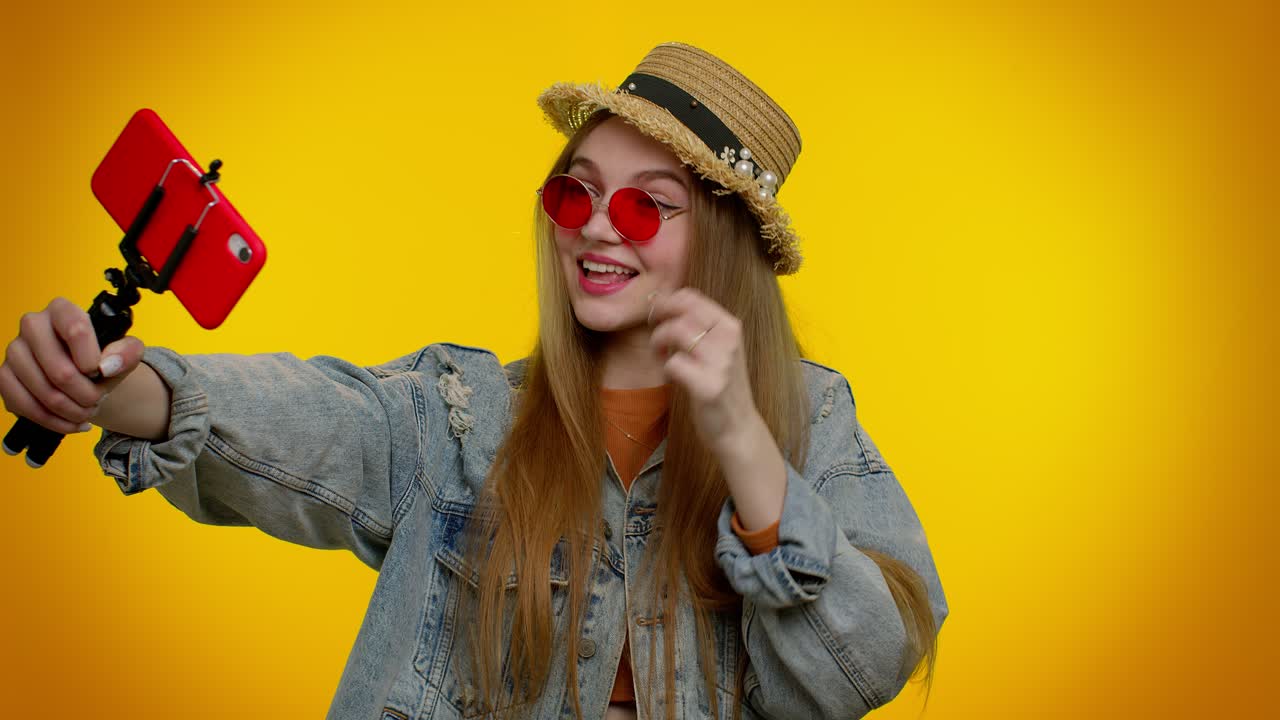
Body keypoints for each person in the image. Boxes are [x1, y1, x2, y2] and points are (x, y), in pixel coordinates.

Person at [0, 42, 947, 720]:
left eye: (647, 206)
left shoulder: (812, 426)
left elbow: (858, 671)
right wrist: (110, 391)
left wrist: (743, 444)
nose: (596, 226)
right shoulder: (463, 417)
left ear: (727, 246)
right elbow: (318, 423)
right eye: (574, 192)